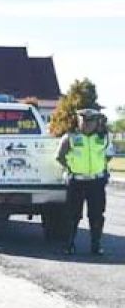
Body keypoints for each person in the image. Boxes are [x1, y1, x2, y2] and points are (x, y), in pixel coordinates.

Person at [56, 107, 113, 256]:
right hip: (76, 182)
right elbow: (60, 156)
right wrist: (71, 168)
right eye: (84, 121)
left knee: (96, 215)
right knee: (72, 216)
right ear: (78, 121)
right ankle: (68, 245)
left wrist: (100, 169)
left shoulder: (104, 137)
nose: (87, 124)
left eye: (91, 121)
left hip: (96, 182)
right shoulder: (70, 137)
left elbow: (108, 155)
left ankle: (96, 245)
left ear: (96, 122)